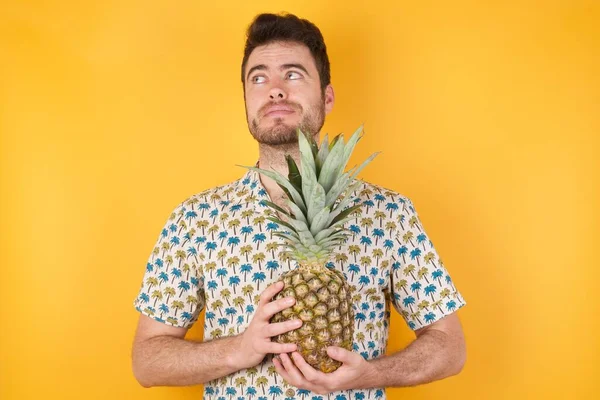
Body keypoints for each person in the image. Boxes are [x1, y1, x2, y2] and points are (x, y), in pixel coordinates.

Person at [131, 12, 467, 399]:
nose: (274, 90)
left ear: (326, 96)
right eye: (258, 78)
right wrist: (237, 350)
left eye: (293, 74)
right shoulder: (195, 219)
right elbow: (147, 360)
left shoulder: (387, 213)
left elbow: (450, 346)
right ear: (245, 99)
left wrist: (369, 374)